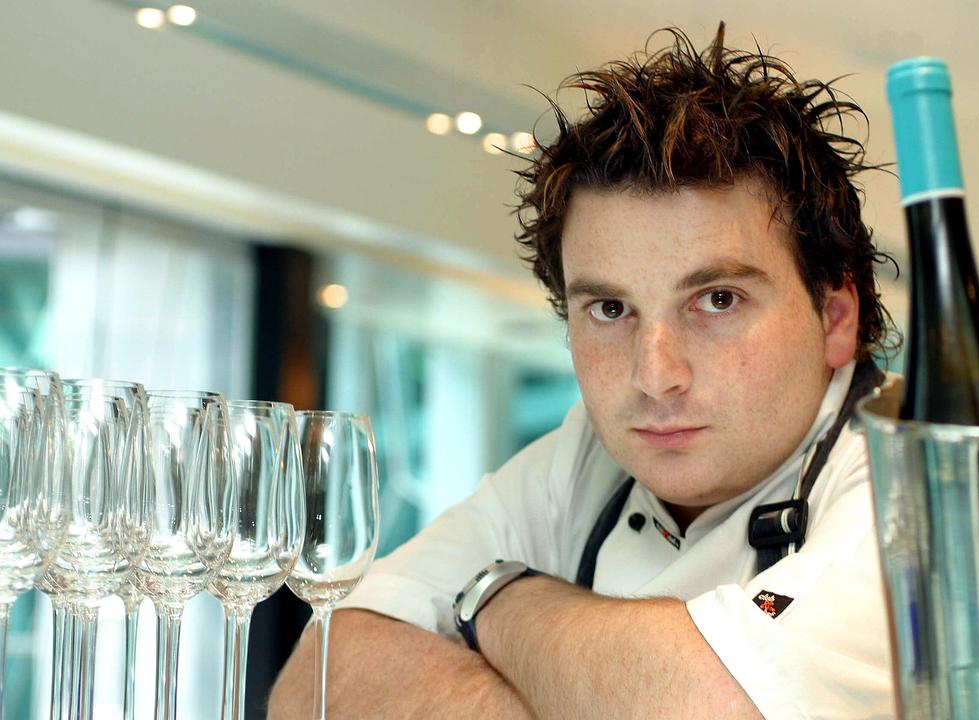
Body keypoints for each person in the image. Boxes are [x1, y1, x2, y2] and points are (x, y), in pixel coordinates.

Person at [269, 24, 897, 719]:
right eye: (609, 308)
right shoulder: (585, 459)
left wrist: (500, 596)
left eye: (718, 300)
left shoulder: (910, 497)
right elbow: (314, 682)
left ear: (837, 316)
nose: (655, 376)